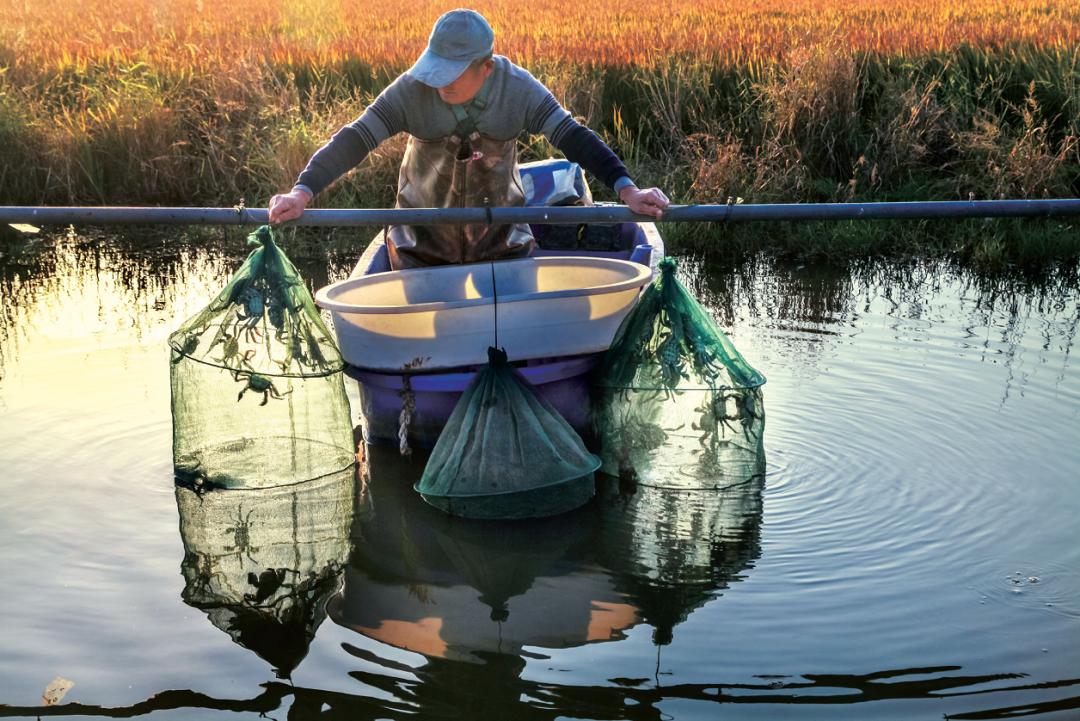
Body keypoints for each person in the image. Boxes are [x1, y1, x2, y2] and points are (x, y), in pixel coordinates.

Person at [268, 8, 669, 269]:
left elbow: (573, 137)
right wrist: (302, 191)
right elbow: (356, 138)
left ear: (486, 67)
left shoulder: (518, 90)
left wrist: (627, 189)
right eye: (435, 68)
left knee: (513, 343)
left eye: (452, 73)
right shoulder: (411, 89)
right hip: (420, 245)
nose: (439, 82)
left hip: (502, 242)